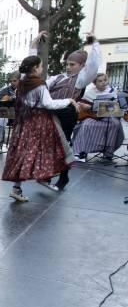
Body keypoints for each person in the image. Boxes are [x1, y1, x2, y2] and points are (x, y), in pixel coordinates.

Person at [1, 55, 79, 202]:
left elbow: (26, 68)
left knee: (25, 153)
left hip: (26, 121)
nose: (42, 68)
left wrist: (34, 45)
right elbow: (48, 104)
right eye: (41, 66)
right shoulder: (39, 84)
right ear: (35, 68)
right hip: (40, 122)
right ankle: (42, 178)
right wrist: (68, 100)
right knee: (47, 150)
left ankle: (24, 185)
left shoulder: (23, 82)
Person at [41, 31, 101, 190]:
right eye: (67, 64)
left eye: (72, 64)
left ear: (82, 66)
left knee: (61, 145)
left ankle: (61, 177)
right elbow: (41, 87)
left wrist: (94, 43)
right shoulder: (57, 78)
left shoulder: (81, 80)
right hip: (51, 113)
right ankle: (52, 175)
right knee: (50, 145)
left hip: (67, 115)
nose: (68, 67)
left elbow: (94, 65)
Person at [72, 73, 125, 162]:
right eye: (100, 81)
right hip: (92, 117)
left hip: (108, 117)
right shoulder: (90, 93)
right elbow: (81, 106)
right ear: (94, 83)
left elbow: (117, 108)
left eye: (105, 80)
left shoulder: (112, 91)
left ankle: (108, 152)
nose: (103, 83)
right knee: (86, 124)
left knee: (115, 124)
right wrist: (87, 106)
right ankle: (82, 151)